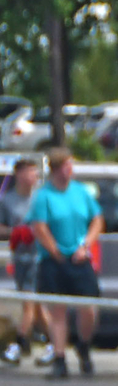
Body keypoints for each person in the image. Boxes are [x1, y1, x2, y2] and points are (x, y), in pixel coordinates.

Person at [28, 148, 102, 379]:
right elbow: (39, 227)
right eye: (66, 166)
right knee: (58, 311)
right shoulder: (44, 195)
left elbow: (97, 220)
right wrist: (56, 251)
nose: (70, 170)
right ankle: (60, 359)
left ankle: (84, 345)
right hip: (54, 260)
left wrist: (86, 245)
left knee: (88, 308)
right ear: (57, 169)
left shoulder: (81, 192)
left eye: (72, 166)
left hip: (80, 258)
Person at [2, 155, 43, 363]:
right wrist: (15, 232)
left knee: (29, 302)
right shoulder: (7, 200)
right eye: (29, 172)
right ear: (19, 174)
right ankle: (53, 341)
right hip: (20, 258)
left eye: (35, 172)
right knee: (36, 305)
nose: (33, 176)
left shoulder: (41, 198)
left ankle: (18, 344)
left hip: (40, 258)